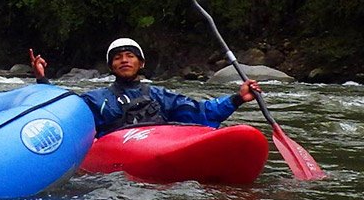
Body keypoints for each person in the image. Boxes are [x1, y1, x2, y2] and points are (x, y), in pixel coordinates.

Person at [29, 38, 262, 137]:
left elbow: (201, 112)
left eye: (130, 56)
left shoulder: (160, 96)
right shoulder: (96, 99)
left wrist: (237, 98)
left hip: (157, 143)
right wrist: (42, 80)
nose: (124, 60)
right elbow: (63, 111)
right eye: (118, 57)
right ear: (111, 66)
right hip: (117, 153)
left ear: (141, 63)